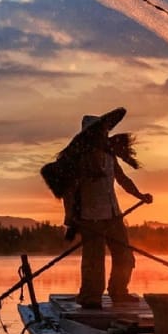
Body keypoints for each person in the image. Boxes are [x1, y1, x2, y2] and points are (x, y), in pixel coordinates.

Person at [42, 107, 153, 310]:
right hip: (90, 216)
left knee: (124, 256)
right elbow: (69, 190)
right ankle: (90, 297)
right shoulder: (80, 159)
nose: (105, 134)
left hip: (114, 214)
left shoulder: (110, 156)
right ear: (92, 135)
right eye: (101, 131)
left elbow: (123, 180)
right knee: (94, 260)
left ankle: (119, 292)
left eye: (105, 130)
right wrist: (71, 216)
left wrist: (140, 196)